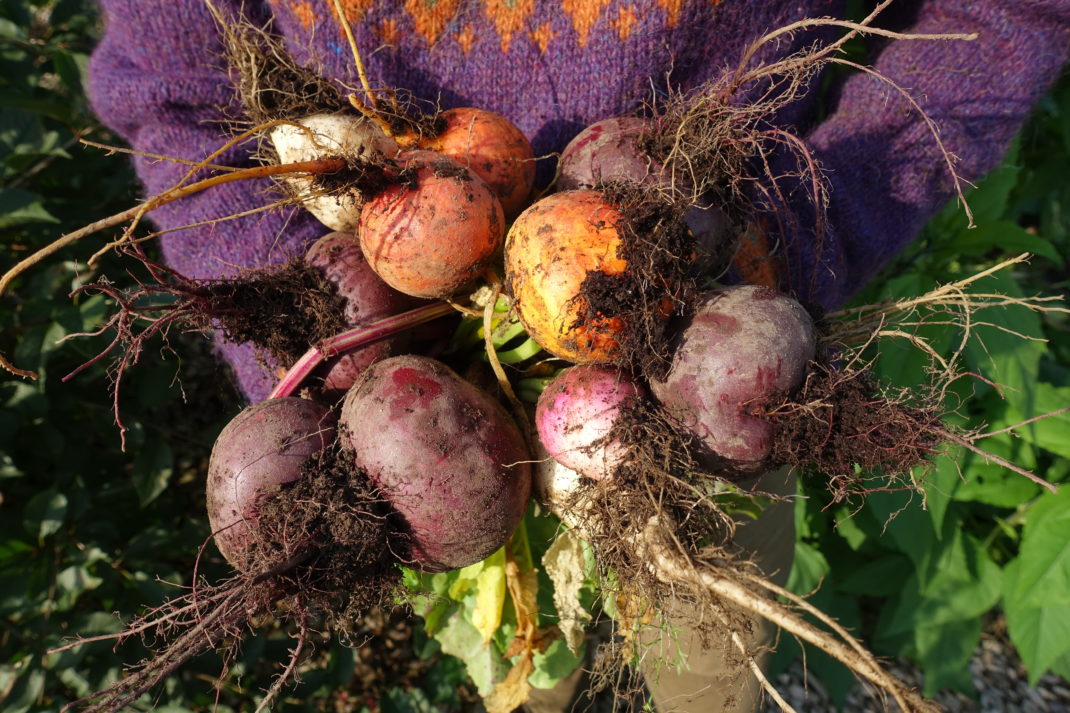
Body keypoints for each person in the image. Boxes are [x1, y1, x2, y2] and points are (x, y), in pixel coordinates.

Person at [87, 1, 1069, 711]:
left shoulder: (727, 327)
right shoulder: (380, 419)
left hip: (713, 369)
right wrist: (302, 327)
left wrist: (795, 233)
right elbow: (179, 93)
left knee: (713, 660)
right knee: (527, 669)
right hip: (412, 449)